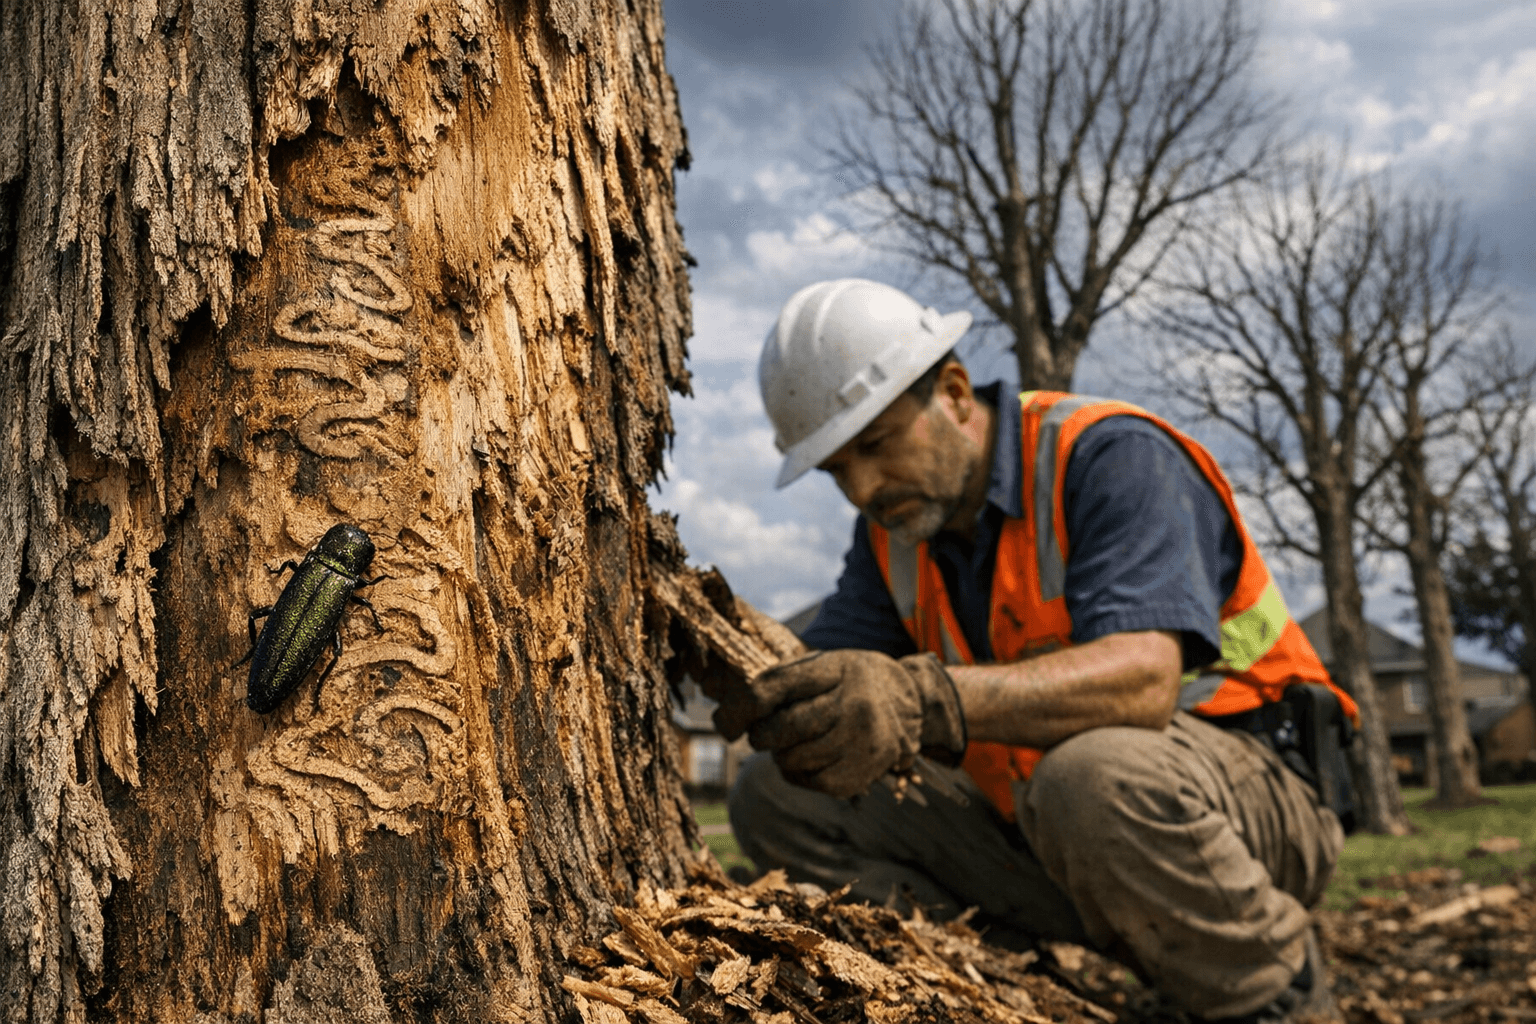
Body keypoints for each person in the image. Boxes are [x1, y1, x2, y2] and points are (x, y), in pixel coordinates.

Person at [717, 279, 1360, 1024]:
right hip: (1053, 822)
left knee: (1093, 775)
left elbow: (1144, 681)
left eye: (875, 444)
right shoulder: (894, 533)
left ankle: (1270, 995)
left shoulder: (1109, 455)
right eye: (835, 470)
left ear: (954, 392)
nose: (861, 487)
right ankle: (999, 989)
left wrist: (925, 698)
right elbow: (833, 681)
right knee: (778, 793)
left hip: (1256, 803)